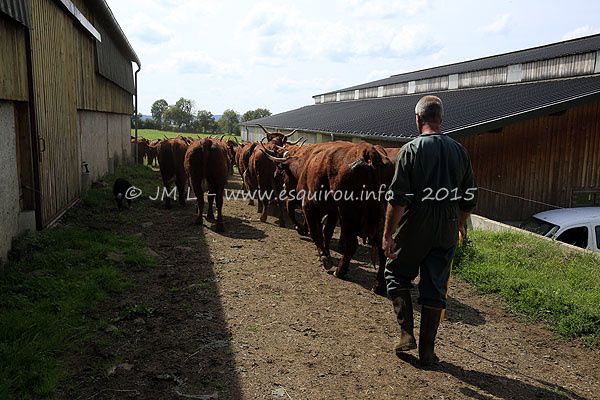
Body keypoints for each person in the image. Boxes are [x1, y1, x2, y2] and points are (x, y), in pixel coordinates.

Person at [382, 95, 477, 367]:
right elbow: (469, 195)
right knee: (435, 287)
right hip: (447, 225)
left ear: (418, 119)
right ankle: (427, 352)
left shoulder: (410, 150)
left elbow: (398, 199)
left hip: (415, 226)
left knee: (395, 274)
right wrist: (459, 223)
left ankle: (405, 334)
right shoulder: (460, 151)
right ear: (440, 119)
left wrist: (388, 234)